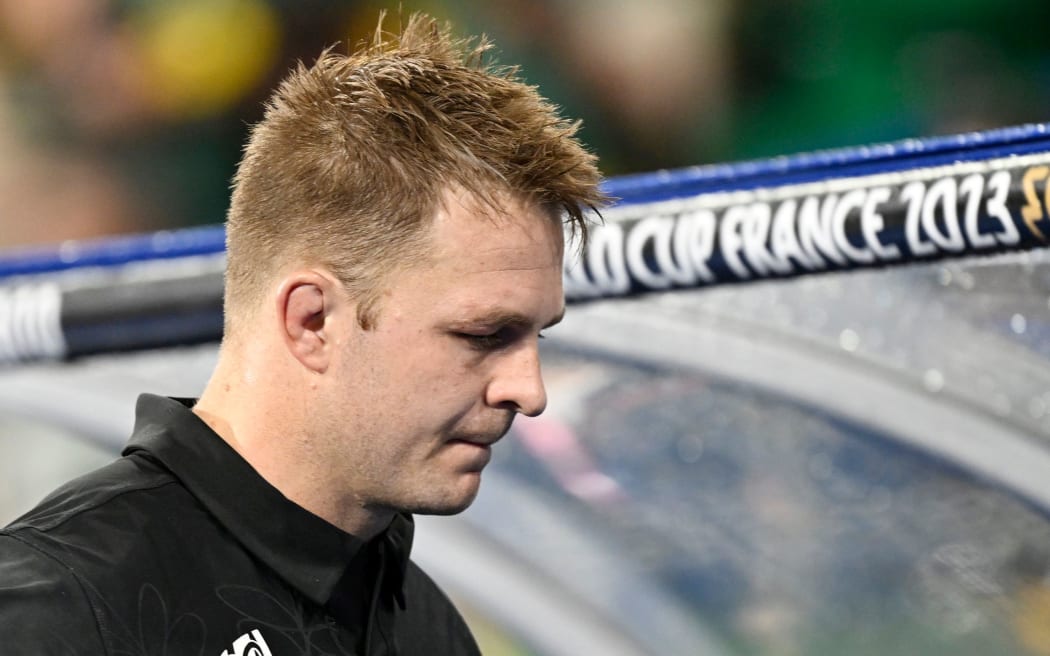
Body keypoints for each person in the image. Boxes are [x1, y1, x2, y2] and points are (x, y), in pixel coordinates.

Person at [0, 12, 605, 655]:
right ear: (311, 321)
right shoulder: (62, 606)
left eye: (537, 337)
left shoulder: (428, 625)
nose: (530, 391)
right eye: (484, 335)